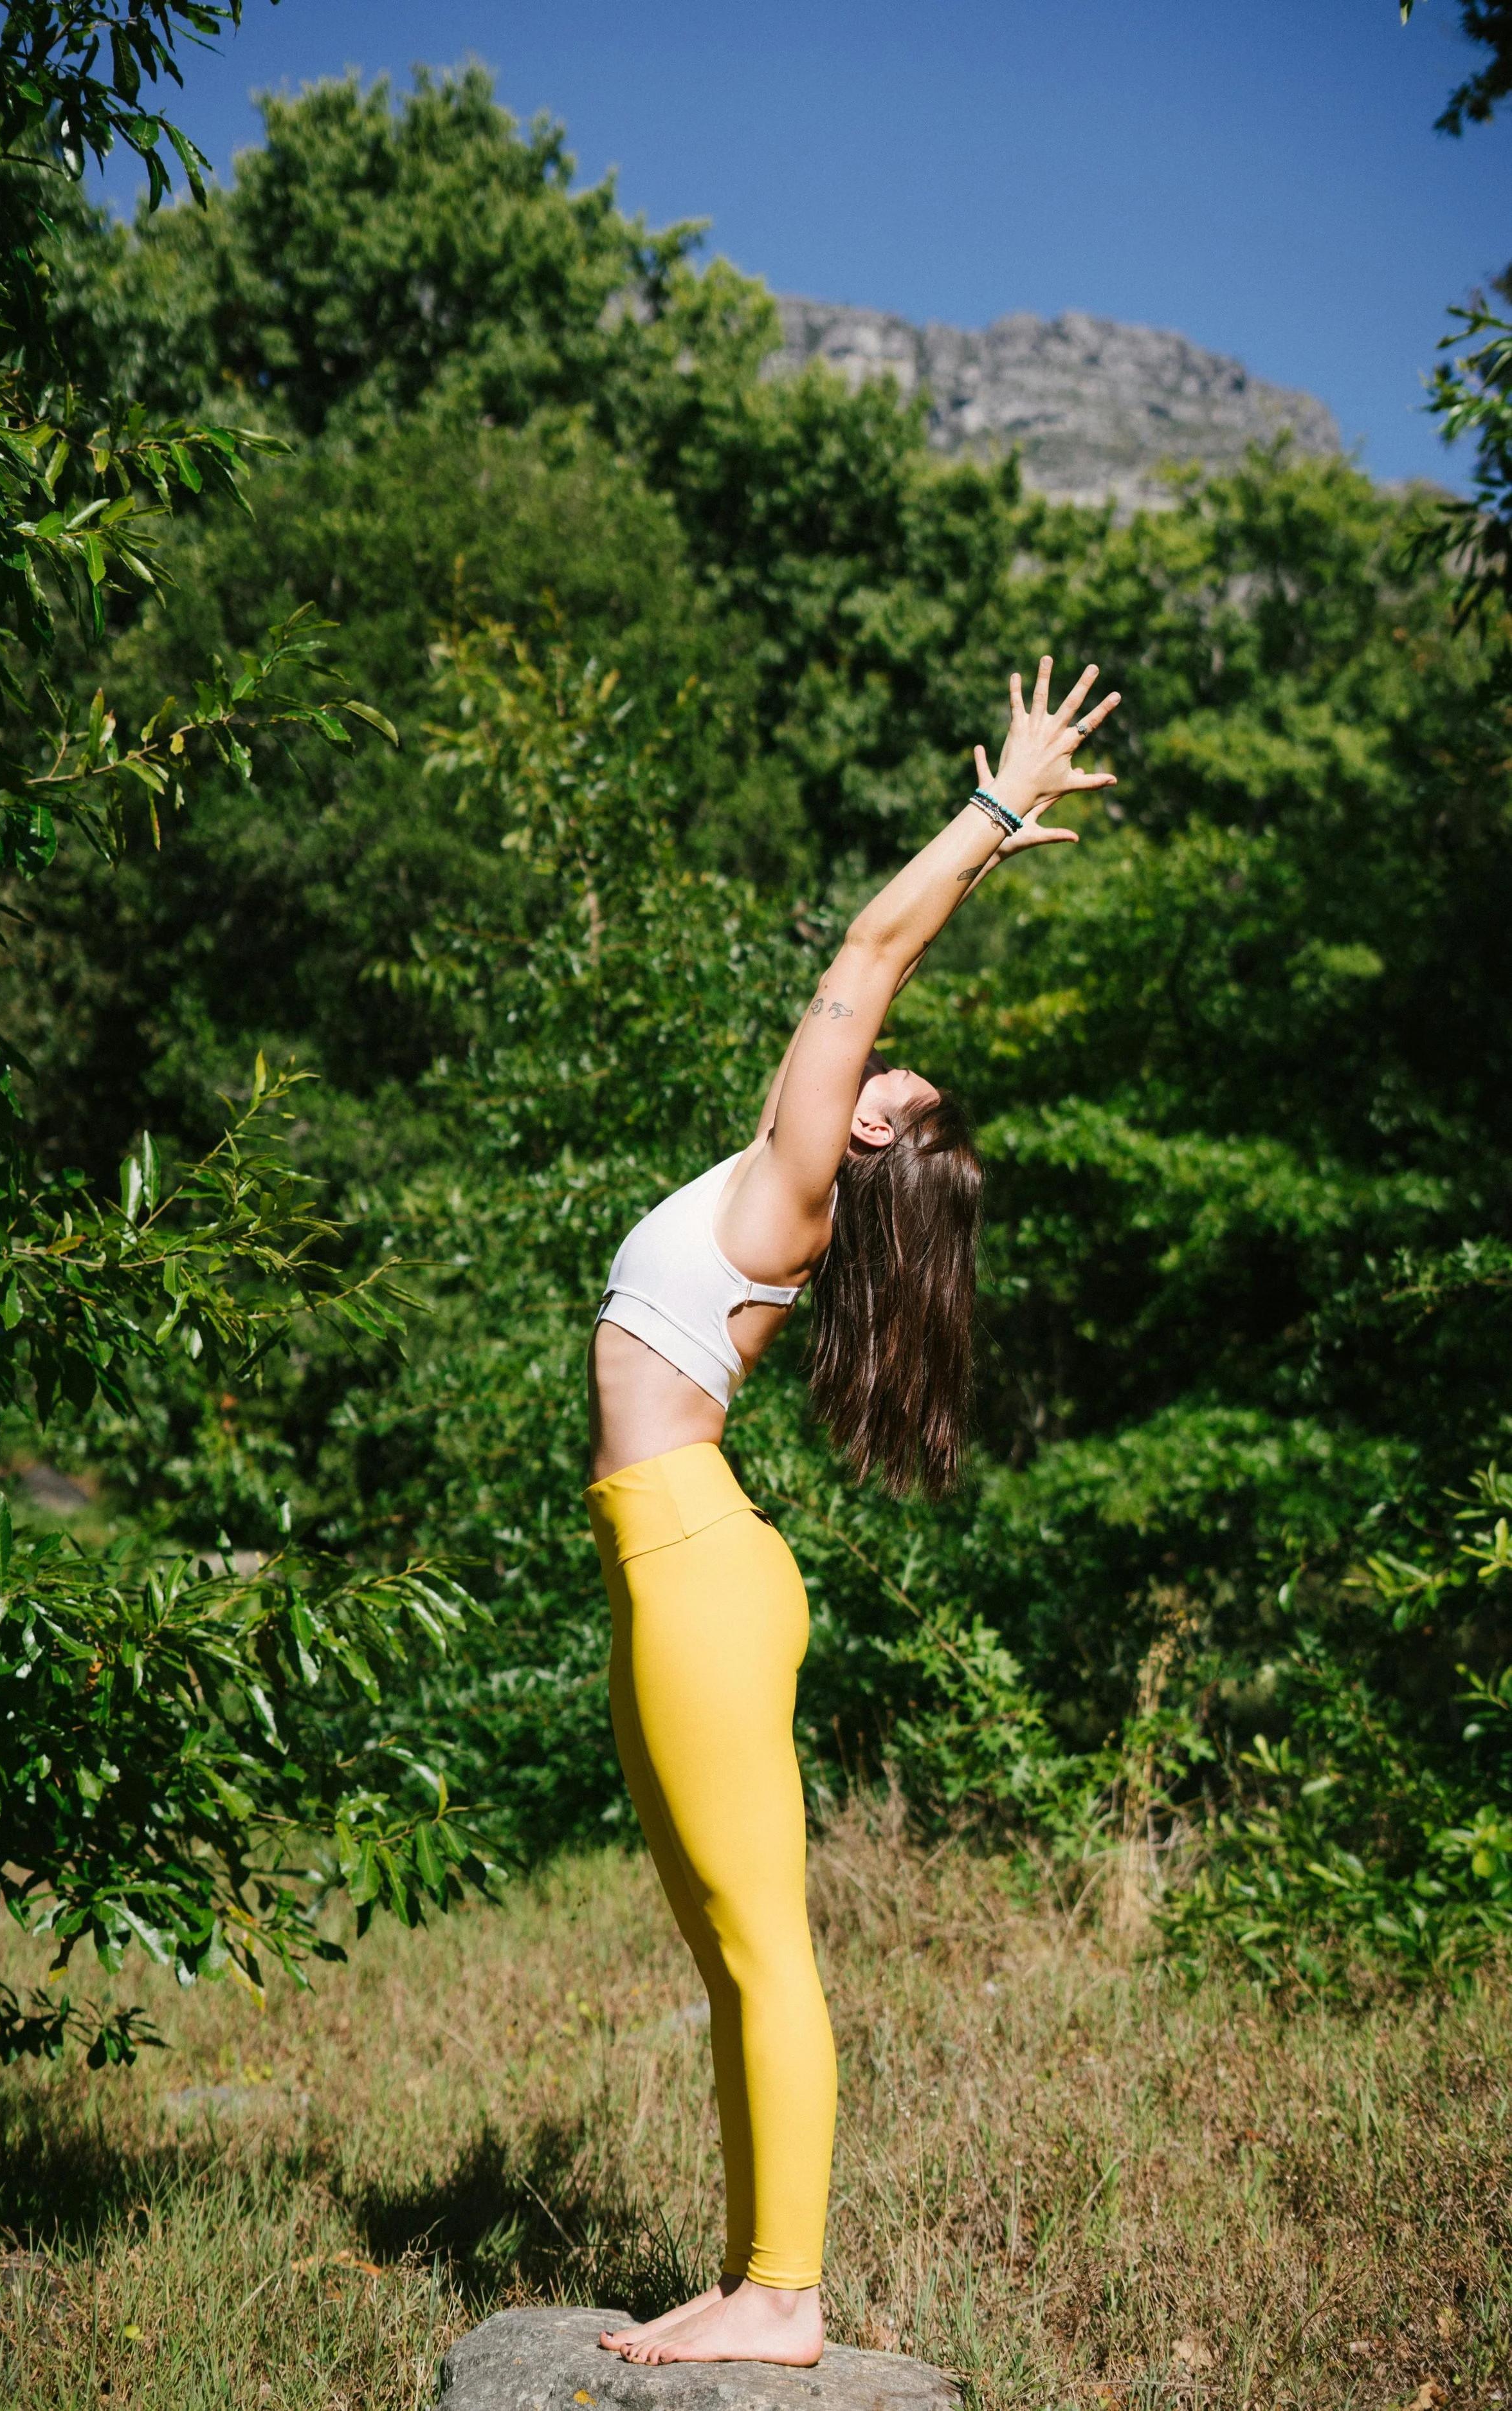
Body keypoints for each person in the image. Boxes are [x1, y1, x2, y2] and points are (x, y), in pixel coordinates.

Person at [585, 656, 1121, 2367]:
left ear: (877, 1154)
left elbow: (864, 957)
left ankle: (789, 2299)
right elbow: (852, 998)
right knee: (721, 1937)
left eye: (903, 1098)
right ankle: (753, 2275)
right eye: (885, 1076)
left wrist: (986, 811)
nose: (888, 1072)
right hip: (668, 1563)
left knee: (761, 1938)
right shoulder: (774, 1168)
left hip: (697, 1569)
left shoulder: (804, 1179)